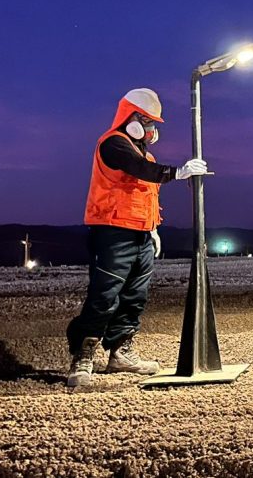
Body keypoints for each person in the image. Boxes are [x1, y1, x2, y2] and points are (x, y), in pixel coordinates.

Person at [65, 88, 208, 387]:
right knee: (105, 296)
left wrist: (153, 229)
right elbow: (140, 169)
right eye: (147, 121)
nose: (151, 128)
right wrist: (177, 172)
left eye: (153, 122)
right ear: (130, 119)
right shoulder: (113, 144)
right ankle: (83, 356)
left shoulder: (146, 154)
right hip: (113, 232)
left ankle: (121, 352)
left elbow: (146, 192)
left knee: (134, 296)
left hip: (141, 233)